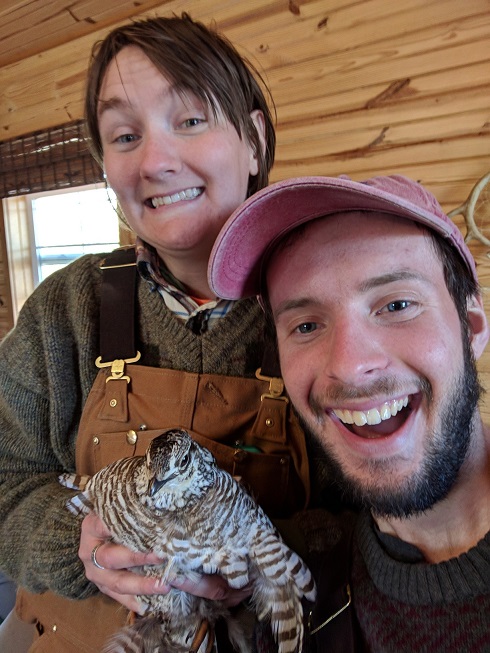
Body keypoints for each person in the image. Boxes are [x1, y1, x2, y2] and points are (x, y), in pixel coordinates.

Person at [0, 14, 315, 652]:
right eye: (123, 135)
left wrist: (267, 560)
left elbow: (391, 511)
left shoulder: (321, 301)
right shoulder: (69, 307)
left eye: (191, 120)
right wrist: (76, 542)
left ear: (253, 139)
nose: (154, 161)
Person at [209, 174, 490, 651]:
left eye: (396, 304)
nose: (349, 366)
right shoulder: (291, 609)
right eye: (307, 325)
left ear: (471, 326)